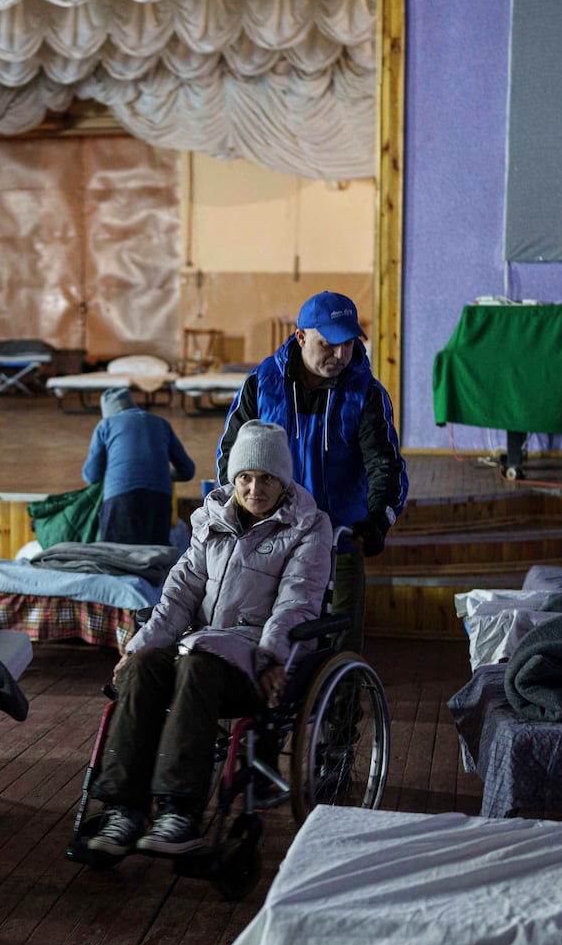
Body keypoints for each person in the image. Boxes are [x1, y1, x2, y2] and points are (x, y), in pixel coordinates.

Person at [85, 421, 332, 857]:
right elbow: (178, 595)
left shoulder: (308, 528)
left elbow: (296, 604)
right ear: (233, 480)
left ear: (283, 481)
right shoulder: (210, 522)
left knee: (196, 666)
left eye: (267, 478)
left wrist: (272, 657)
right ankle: (123, 808)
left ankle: (179, 811)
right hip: (199, 646)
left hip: (254, 659)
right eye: (245, 478)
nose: (255, 488)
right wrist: (138, 646)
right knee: (144, 668)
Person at [216, 291, 406, 654]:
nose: (341, 355)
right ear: (301, 337)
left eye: (348, 345)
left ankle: (340, 709)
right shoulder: (262, 385)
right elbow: (231, 456)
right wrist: (241, 511)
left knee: (340, 644)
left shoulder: (365, 394)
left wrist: (378, 518)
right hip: (272, 537)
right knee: (270, 637)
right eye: (329, 344)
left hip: (340, 539)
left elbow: (385, 464)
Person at [81, 387, 196, 545]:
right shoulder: (161, 423)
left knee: (117, 559)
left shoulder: (106, 424)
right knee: (155, 559)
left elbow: (91, 476)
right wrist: (160, 472)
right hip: (160, 501)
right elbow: (188, 470)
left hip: (121, 500)